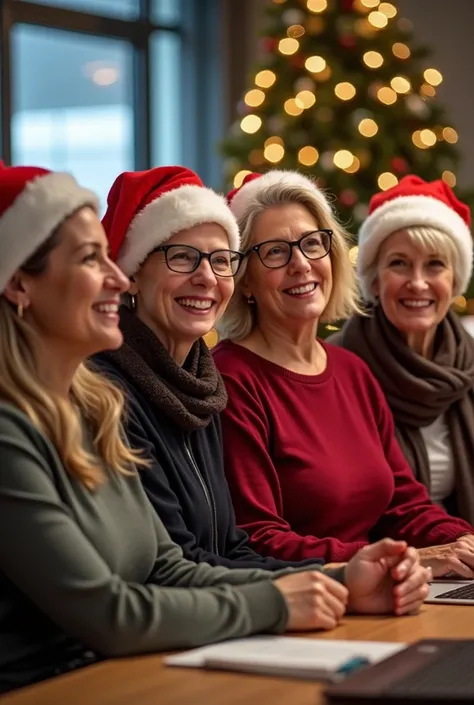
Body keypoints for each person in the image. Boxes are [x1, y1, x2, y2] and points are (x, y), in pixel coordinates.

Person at [0, 163, 429, 692]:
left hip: (138, 669)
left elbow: (173, 565)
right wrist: (280, 599)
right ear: (18, 282)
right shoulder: (21, 427)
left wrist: (344, 581)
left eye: (220, 259)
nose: (114, 275)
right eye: (93, 259)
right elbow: (109, 614)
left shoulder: (103, 405)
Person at [213, 169, 474, 577]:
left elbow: (403, 505)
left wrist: (461, 542)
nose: (301, 264)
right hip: (306, 604)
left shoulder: (352, 371)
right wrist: (399, 560)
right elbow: (256, 537)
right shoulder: (232, 378)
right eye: (276, 252)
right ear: (245, 279)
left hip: (379, 590)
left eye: (312, 244)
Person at [95, 164, 314, 570]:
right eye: (182, 257)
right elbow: (172, 565)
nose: (207, 277)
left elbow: (229, 548)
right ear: (133, 276)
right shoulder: (108, 391)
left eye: (220, 260)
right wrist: (333, 581)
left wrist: (335, 576)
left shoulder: (200, 387)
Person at [328, 175, 474, 525]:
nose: (418, 282)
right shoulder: (335, 370)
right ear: (373, 279)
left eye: (435, 264)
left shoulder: (470, 364)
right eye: (399, 263)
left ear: (455, 281)